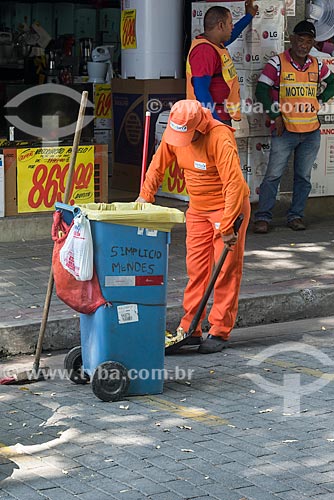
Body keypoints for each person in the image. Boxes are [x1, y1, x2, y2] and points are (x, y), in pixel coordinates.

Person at [136, 100, 250, 354]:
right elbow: (158, 164)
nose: (182, 140)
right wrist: (146, 196)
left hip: (227, 208)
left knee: (226, 270)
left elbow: (234, 185)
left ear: (199, 126)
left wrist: (228, 226)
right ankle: (190, 328)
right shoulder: (174, 133)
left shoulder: (220, 137)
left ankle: (220, 330)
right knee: (196, 269)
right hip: (198, 208)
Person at [253, 20, 334, 234]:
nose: (303, 45)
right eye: (300, 40)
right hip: (284, 131)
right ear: (292, 39)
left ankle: (296, 216)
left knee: (303, 177)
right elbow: (261, 90)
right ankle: (263, 218)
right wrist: (274, 114)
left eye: (308, 41)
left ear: (312, 43)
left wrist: (321, 97)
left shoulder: (318, 64)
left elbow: (332, 82)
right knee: (273, 176)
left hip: (311, 132)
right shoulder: (277, 63)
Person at [186, 1, 258, 125]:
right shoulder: (204, 51)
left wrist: (249, 16)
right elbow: (200, 89)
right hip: (210, 120)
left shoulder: (216, 45)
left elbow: (232, 34)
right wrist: (215, 122)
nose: (232, 27)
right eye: (230, 23)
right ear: (220, 25)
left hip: (220, 116)